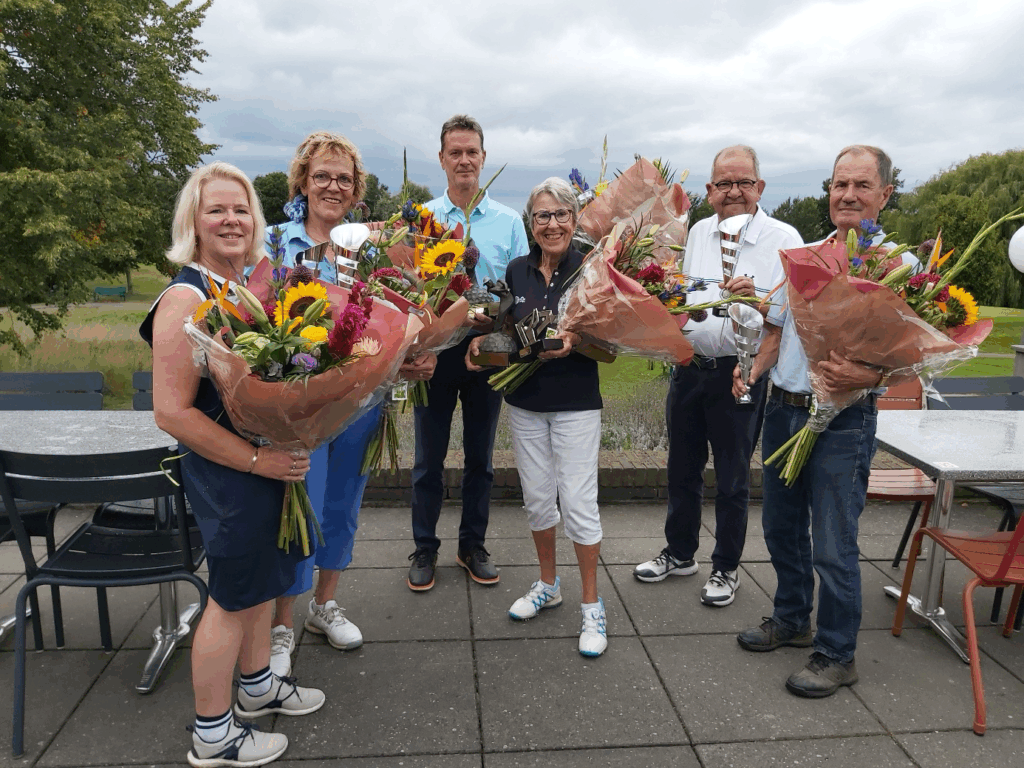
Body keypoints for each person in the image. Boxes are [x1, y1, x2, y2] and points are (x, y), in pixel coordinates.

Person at [144, 162, 324, 767]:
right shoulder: (185, 297)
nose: (231, 219)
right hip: (229, 472)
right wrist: (256, 461)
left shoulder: (240, 289)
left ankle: (256, 687)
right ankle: (214, 735)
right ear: (192, 221)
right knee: (230, 595)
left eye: (241, 209)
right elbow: (172, 413)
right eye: (216, 209)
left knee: (256, 586)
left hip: (260, 464)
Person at [265, 131, 436, 676]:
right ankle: (281, 625)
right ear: (303, 182)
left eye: (344, 177)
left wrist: (412, 354)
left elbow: (397, 317)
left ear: (357, 188)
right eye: (322, 176)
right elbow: (258, 317)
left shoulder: (372, 248)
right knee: (298, 510)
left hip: (364, 403)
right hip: (300, 407)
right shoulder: (273, 243)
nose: (333, 186)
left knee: (342, 505)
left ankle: (324, 605)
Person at [733, 145, 896, 697]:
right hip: (785, 407)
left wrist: (867, 376)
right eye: (839, 185)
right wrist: (753, 370)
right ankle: (792, 619)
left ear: (884, 195)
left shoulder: (897, 267)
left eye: (861, 186)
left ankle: (836, 653)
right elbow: (778, 332)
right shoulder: (805, 255)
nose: (847, 195)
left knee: (832, 542)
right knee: (780, 528)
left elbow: (904, 362)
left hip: (844, 423)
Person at [634, 146, 802, 607]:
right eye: (723, 184)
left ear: (760, 187)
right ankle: (680, 552)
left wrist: (759, 301)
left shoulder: (785, 238)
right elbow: (682, 295)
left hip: (743, 369)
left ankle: (726, 567)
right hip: (691, 367)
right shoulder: (697, 233)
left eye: (743, 182)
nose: (734, 192)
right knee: (681, 469)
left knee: (731, 478)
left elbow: (793, 315)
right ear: (709, 191)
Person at [466, 177, 607, 656]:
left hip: (576, 406)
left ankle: (592, 605)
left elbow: (610, 348)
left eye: (561, 214)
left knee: (580, 506)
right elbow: (506, 334)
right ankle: (549, 584)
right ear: (531, 224)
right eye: (542, 216)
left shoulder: (592, 269)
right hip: (525, 406)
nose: (552, 224)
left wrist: (578, 342)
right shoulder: (516, 270)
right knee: (538, 502)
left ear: (574, 219)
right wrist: (482, 345)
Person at [407, 114, 530, 592]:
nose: (463, 160)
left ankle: (471, 545)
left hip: (488, 351)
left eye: (471, 152)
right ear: (441, 160)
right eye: (454, 152)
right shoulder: (422, 221)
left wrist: (487, 314)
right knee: (427, 459)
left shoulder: (508, 223)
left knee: (480, 457)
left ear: (483, 158)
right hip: (435, 355)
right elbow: (411, 290)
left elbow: (519, 290)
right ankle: (424, 547)